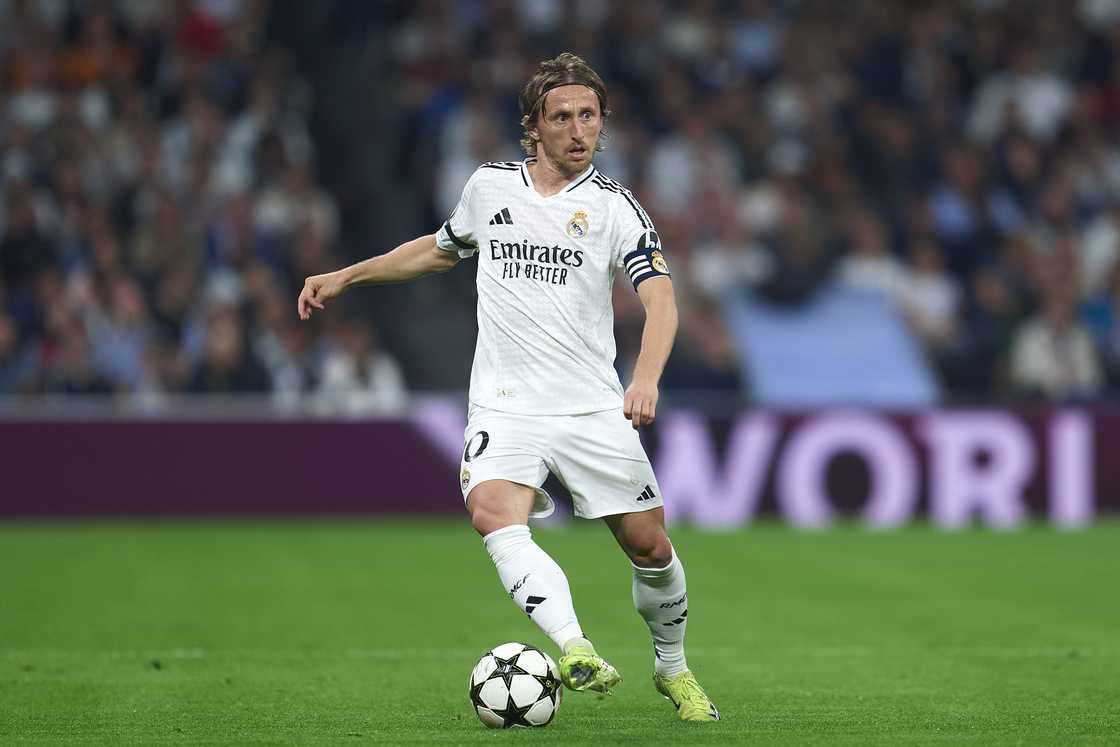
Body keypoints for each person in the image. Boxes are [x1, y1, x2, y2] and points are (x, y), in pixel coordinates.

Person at [296, 53, 719, 722]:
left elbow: (661, 299)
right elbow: (438, 247)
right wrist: (348, 275)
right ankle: (575, 645)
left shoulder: (615, 208)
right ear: (533, 127)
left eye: (589, 116)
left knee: (650, 546)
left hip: (589, 404)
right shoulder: (491, 188)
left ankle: (673, 668)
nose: (578, 130)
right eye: (562, 117)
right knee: (494, 511)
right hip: (505, 403)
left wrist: (644, 376)